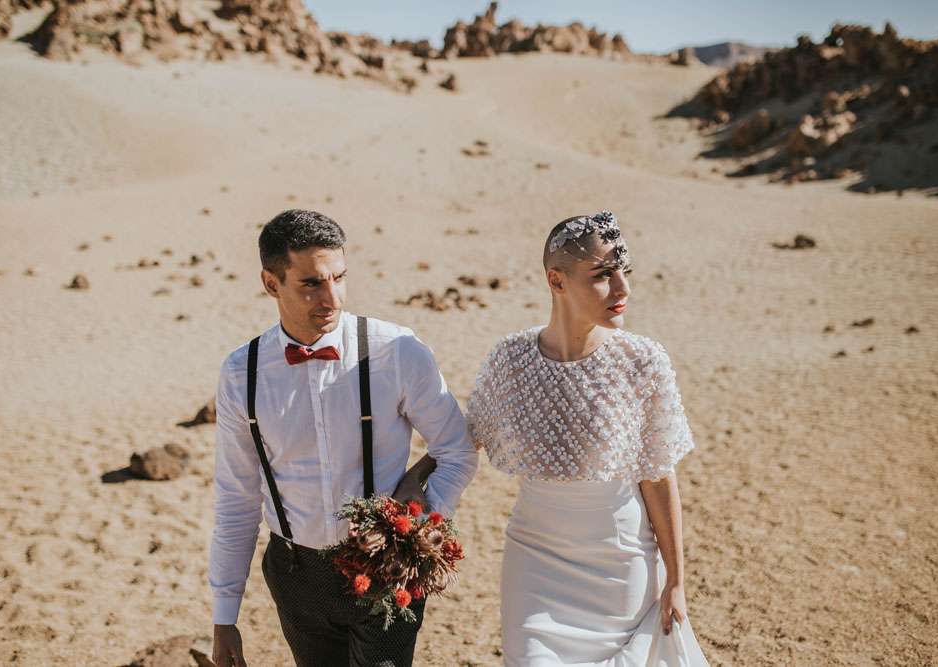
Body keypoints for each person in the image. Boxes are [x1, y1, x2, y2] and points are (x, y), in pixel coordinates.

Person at [209, 209, 478, 667]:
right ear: (271, 284)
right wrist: (224, 616)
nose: (331, 297)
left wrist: (418, 524)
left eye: (339, 277)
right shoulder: (242, 373)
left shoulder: (397, 351)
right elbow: (237, 498)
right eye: (311, 283)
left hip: (387, 569)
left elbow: (457, 448)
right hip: (295, 573)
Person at [466, 210, 709, 666]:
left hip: (619, 568)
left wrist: (676, 580)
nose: (622, 289)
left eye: (624, 272)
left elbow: (658, 477)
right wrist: (412, 484)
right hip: (534, 563)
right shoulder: (511, 358)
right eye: (602, 275)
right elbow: (467, 438)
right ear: (556, 281)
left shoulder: (642, 360)